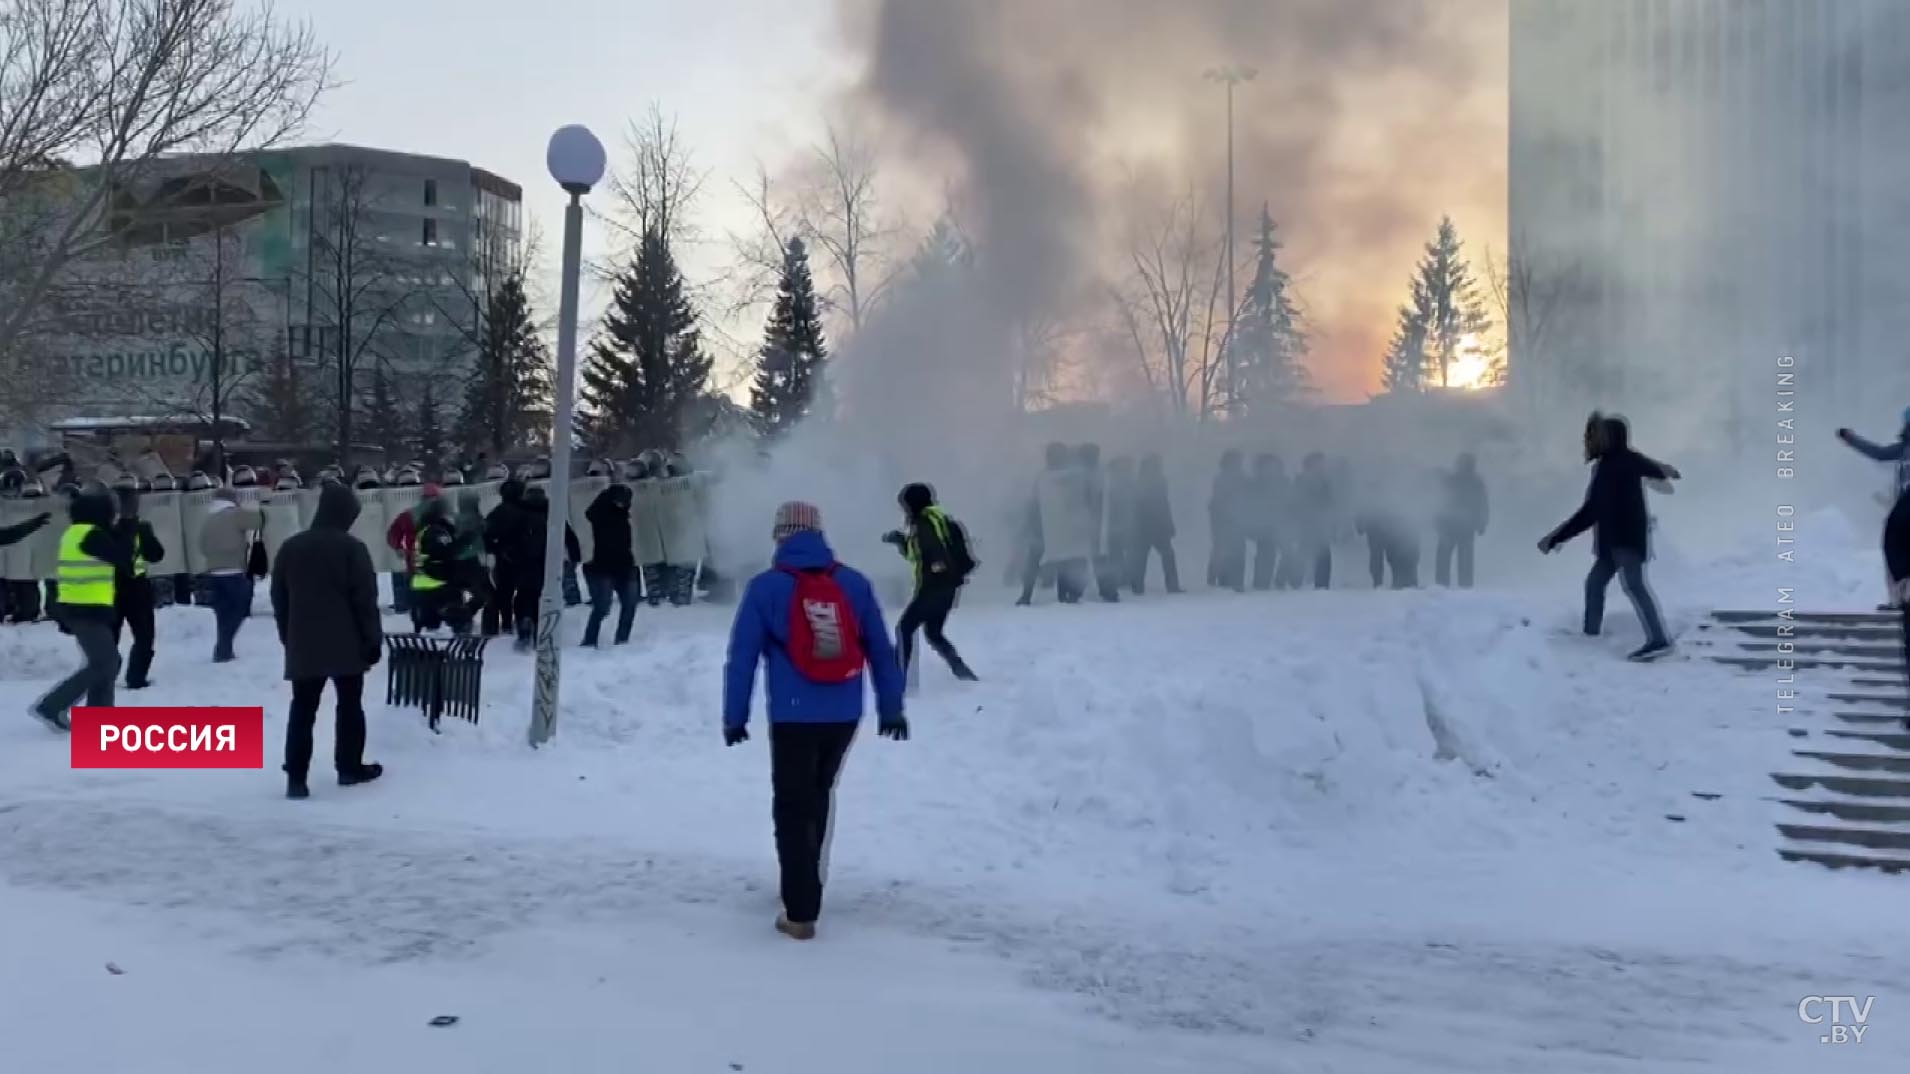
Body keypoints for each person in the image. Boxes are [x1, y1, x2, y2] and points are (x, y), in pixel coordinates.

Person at [723, 502, 907, 941]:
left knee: (791, 805)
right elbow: (881, 650)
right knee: (818, 794)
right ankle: (808, 880)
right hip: (844, 713)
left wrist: (735, 716)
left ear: (780, 537)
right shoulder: (854, 584)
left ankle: (800, 910)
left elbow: (742, 658)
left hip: (792, 713)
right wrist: (891, 708)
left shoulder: (766, 588)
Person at [270, 482, 385, 799]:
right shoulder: (352, 548)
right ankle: (349, 767)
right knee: (349, 706)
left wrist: (287, 636)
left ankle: (296, 777)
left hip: (303, 643)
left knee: (302, 709)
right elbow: (364, 599)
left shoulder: (291, 547)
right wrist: (372, 640)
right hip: (347, 643)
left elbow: (279, 598)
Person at [1539, 415, 1680, 662]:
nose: (1595, 440)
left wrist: (1663, 470)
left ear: (1612, 438)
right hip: (1611, 543)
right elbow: (1591, 511)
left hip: (1625, 541)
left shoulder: (1625, 461)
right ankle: (1591, 636)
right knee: (1595, 584)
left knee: (1634, 586)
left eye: (1601, 435)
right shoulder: (1606, 466)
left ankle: (1659, 639)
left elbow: (1648, 467)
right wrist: (1557, 537)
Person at [29, 487, 129, 731]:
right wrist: (125, 530)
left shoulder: (75, 532)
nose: (114, 515)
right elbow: (123, 559)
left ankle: (99, 717)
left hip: (81, 606)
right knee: (104, 662)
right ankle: (52, 705)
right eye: (111, 512)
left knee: (107, 662)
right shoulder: (93, 535)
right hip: (86, 608)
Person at [883, 482, 978, 683]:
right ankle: (962, 672)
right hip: (949, 586)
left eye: (905, 505)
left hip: (934, 587)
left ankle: (897, 680)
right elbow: (919, 553)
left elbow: (933, 552)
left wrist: (937, 571)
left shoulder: (924, 523)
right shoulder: (939, 519)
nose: (904, 509)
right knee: (933, 633)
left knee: (904, 628)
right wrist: (901, 541)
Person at [1836, 411, 1910, 611]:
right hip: (1902, 511)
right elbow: (1878, 453)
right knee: (1894, 552)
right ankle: (1898, 599)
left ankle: (1901, 598)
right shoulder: (1903, 449)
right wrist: (1851, 439)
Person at [509, 484, 580, 650]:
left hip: (522, 562)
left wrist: (507, 555)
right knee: (542, 593)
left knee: (523, 594)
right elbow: (569, 536)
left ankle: (524, 623)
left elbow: (506, 537)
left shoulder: (518, 514)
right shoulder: (552, 513)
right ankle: (539, 627)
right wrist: (575, 557)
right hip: (548, 560)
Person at [198, 487, 264, 663]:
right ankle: (223, 646)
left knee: (223, 612)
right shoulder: (234, 514)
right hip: (233, 570)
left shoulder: (209, 519)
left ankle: (224, 649)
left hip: (213, 572)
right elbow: (258, 521)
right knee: (240, 607)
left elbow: (201, 545)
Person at [111, 485, 164, 689]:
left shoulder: (104, 528)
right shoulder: (142, 527)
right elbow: (156, 555)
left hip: (110, 589)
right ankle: (136, 677)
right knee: (144, 636)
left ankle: (105, 674)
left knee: (110, 637)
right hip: (137, 588)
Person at [582, 482, 640, 647]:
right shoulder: (600, 515)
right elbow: (591, 512)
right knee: (602, 607)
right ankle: (590, 640)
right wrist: (605, 495)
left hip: (625, 565)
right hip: (604, 567)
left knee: (629, 606)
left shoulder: (623, 515)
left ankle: (622, 639)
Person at [409, 496, 478, 633]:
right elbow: (445, 552)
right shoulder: (436, 531)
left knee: (430, 627)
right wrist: (465, 540)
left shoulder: (425, 530)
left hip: (424, 583)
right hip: (437, 584)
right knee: (458, 618)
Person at [483, 478, 529, 637]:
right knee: (525, 592)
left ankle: (507, 624)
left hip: (504, 559)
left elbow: (486, 536)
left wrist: (497, 549)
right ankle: (522, 621)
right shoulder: (528, 512)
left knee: (504, 593)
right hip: (526, 559)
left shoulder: (496, 513)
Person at [1129, 453, 1181, 595]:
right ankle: (1172, 585)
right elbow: (1163, 505)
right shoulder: (1157, 482)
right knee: (1165, 556)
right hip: (1155, 526)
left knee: (1141, 558)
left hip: (1145, 526)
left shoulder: (1140, 482)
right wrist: (1169, 524)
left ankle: (1137, 587)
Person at [1435, 453, 1490, 588]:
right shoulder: (1455, 481)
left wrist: (1482, 523)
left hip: (1459, 525)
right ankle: (1456, 585)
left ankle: (1450, 585)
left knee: (1457, 557)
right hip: (1453, 525)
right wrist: (1481, 523)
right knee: (1454, 557)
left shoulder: (1473, 483)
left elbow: (1482, 504)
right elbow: (1439, 501)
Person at [1294, 452, 1335, 589]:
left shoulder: (1325, 482)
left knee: (1323, 553)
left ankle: (1322, 584)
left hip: (1321, 523)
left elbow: (1331, 502)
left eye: (1322, 463)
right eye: (1318, 463)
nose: (1322, 466)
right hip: (1305, 522)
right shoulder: (1300, 481)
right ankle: (1294, 581)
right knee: (1303, 552)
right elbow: (1294, 502)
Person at [1247, 453, 1287, 591]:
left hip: (1280, 523)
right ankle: (1261, 583)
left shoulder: (1282, 482)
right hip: (1263, 524)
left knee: (1288, 552)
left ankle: (1281, 581)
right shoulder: (1256, 484)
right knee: (1266, 553)